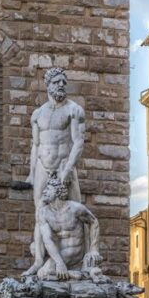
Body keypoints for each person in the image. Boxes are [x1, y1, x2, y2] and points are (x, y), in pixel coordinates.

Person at [21, 67, 86, 276]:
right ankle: (39, 260)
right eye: (57, 82)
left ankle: (82, 261)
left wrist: (67, 171)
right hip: (42, 166)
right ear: (48, 85)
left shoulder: (73, 110)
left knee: (75, 209)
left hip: (63, 165)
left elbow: (78, 142)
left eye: (63, 82)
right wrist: (32, 173)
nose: (61, 85)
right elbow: (35, 145)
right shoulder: (37, 114)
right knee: (40, 213)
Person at [26, 174, 102, 280]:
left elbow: (94, 222)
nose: (44, 192)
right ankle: (73, 275)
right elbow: (47, 240)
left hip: (74, 251)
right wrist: (59, 263)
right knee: (42, 271)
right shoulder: (44, 213)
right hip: (60, 254)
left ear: (57, 191)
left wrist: (94, 249)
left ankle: (74, 274)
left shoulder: (75, 208)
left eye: (48, 189)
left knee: (44, 273)